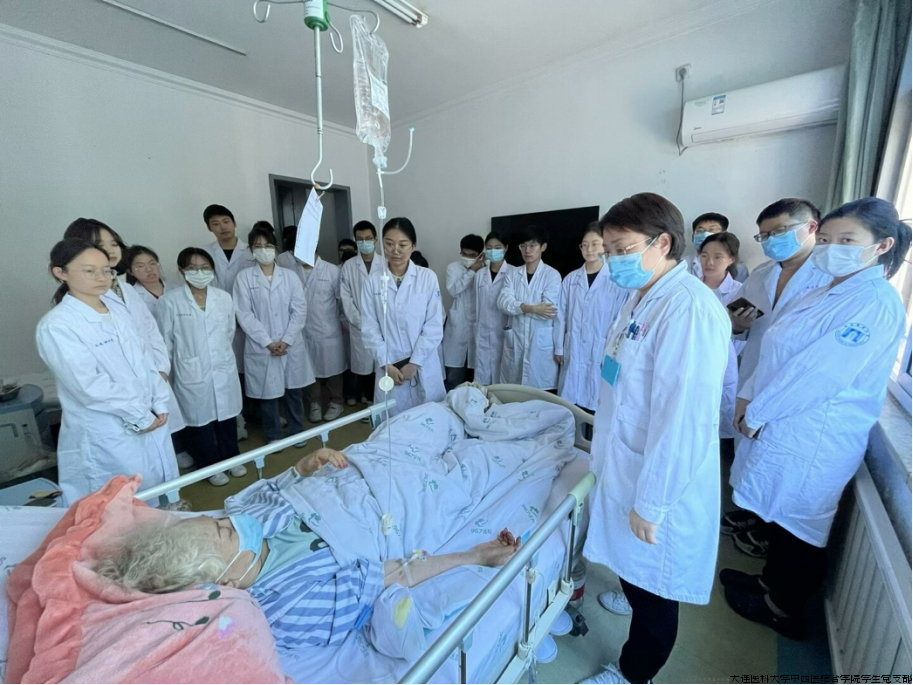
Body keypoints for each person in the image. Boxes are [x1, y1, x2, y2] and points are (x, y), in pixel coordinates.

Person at [97, 447, 521, 651]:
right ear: (227, 580)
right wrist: (475, 556)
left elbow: (259, 497)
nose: (232, 521)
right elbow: (389, 574)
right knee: (469, 468)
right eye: (226, 532)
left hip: (355, 475)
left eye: (219, 521)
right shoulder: (288, 607)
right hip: (393, 509)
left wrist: (299, 469)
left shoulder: (248, 525)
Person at [722, 197, 909, 639]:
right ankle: (768, 583)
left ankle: (782, 609)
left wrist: (759, 410)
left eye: (846, 240)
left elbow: (819, 373)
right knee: (781, 516)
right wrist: (748, 398)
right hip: (782, 421)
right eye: (825, 239)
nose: (829, 249)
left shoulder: (875, 302)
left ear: (882, 246)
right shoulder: (825, 290)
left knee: (800, 526)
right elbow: (774, 349)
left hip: (814, 433)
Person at [581, 193, 730, 685]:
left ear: (662, 243)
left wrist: (652, 502)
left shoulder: (688, 310)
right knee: (637, 567)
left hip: (660, 477)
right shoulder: (642, 295)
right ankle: (632, 590)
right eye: (608, 250)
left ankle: (634, 674)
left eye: (621, 249)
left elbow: (684, 420)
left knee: (657, 591)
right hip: (629, 458)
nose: (612, 260)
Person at [720, 199, 831, 549]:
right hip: (753, 375)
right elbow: (736, 320)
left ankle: (769, 534)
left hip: (792, 390)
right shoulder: (762, 274)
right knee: (750, 457)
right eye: (764, 235)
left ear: (811, 227)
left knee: (781, 467)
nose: (770, 241)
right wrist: (737, 324)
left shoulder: (830, 278)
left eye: (779, 231)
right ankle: (752, 515)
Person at [36, 240, 178, 505]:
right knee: (116, 509)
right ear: (60, 272)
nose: (101, 277)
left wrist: (160, 402)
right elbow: (89, 387)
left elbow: (144, 361)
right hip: (107, 432)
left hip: (148, 419)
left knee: (153, 497)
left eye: (106, 270)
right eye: (89, 271)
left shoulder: (117, 311)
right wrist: (140, 415)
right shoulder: (58, 325)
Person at [64, 218, 191, 468]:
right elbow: (92, 376)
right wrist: (140, 394)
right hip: (121, 404)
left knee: (160, 460)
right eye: (99, 244)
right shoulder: (77, 309)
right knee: (134, 469)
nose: (110, 250)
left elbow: (151, 333)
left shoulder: (126, 289)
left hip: (152, 383)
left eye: (114, 243)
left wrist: (160, 370)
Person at [156, 248, 246, 487]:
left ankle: (232, 457)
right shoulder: (170, 301)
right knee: (199, 422)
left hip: (222, 367)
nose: (200, 273)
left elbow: (229, 331)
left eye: (205, 268)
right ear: (182, 270)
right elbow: (165, 341)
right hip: (191, 371)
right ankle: (209, 465)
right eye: (193, 268)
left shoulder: (223, 298)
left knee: (227, 416)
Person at [233, 224, 313, 446]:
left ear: (276, 248)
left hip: (290, 345)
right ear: (251, 250)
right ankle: (273, 436)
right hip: (262, 346)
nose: (263, 250)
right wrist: (267, 342)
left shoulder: (290, 276)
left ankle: (297, 432)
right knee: (267, 395)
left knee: (293, 392)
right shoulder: (244, 278)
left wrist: (286, 340)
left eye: (267, 245)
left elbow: (299, 310)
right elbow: (244, 314)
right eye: (257, 246)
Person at [360, 217, 445, 415]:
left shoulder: (427, 278)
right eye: (389, 244)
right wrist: (386, 364)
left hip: (423, 364)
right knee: (393, 424)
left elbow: (434, 325)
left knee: (429, 420)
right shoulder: (373, 282)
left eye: (402, 244)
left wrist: (414, 363)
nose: (395, 250)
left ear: (413, 246)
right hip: (389, 366)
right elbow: (370, 328)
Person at [554, 224, 628, 413]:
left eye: (595, 244)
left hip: (602, 348)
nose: (589, 249)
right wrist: (559, 347)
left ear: (604, 246)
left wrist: (613, 351)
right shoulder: (571, 280)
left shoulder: (615, 280)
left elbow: (620, 319)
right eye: (585, 245)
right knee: (569, 403)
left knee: (596, 402)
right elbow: (561, 315)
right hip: (573, 347)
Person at [277, 227, 347, 423]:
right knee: (309, 369)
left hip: (328, 329)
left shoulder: (332, 271)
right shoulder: (291, 273)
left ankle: (336, 401)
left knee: (334, 368)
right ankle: (314, 402)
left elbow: (341, 302)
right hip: (302, 330)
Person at [497, 225, 561, 390]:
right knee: (512, 393)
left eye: (532, 245)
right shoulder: (513, 273)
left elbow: (548, 311)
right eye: (523, 246)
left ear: (543, 247)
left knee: (538, 395)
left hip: (539, 346)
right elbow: (503, 303)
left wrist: (518, 306)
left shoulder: (552, 275)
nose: (527, 250)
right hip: (516, 342)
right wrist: (530, 308)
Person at [698, 232, 743, 457]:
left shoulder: (739, 292)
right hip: (691, 362)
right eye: (704, 256)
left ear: (731, 259)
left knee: (720, 421)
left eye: (718, 257)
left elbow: (743, 336)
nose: (709, 262)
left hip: (723, 365)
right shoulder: (691, 288)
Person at [340, 221, 380, 405]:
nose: (365, 243)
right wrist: (360, 321)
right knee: (365, 369)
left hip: (383, 325)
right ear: (356, 241)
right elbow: (346, 299)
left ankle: (377, 403)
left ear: (376, 239)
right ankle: (369, 402)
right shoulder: (348, 266)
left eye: (368, 238)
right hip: (360, 325)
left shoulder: (385, 264)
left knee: (382, 367)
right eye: (360, 239)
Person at [443, 234, 485, 390]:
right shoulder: (453, 268)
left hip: (478, 327)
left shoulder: (486, 270)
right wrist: (472, 271)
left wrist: (478, 269)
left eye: (472, 255)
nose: (467, 258)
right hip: (457, 328)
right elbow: (454, 290)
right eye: (464, 254)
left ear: (480, 254)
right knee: (453, 376)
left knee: (477, 379)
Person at [473, 232, 513, 386]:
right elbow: (477, 304)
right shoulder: (479, 274)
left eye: (497, 247)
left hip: (504, 332)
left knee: (504, 380)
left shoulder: (514, 273)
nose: (492, 251)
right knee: (482, 383)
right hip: (482, 332)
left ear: (506, 248)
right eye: (489, 248)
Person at [689, 212, 750, 282]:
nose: (705, 234)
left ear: (724, 234)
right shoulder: (684, 264)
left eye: (712, 230)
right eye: (700, 231)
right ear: (693, 236)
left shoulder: (739, 268)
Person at [125, 245, 177, 319]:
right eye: (140, 266)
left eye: (152, 263)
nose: (149, 269)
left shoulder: (176, 289)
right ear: (130, 271)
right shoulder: (130, 297)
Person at [338, 239, 360, 406]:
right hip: (343, 325)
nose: (346, 253)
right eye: (342, 250)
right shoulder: (335, 271)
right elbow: (341, 302)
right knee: (348, 363)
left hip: (360, 325)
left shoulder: (362, 270)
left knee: (364, 364)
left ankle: (363, 394)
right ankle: (350, 393)